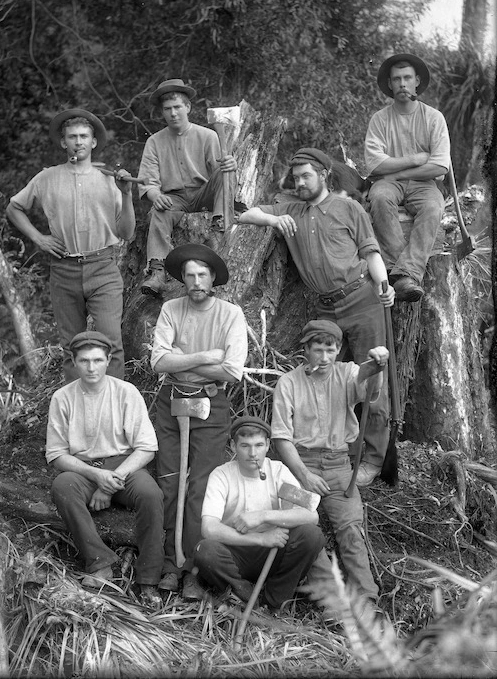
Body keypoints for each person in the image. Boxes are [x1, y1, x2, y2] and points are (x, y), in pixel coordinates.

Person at [238, 147, 395, 487]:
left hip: (363, 298)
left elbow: (371, 252)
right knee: (323, 378)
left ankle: (373, 459)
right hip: (326, 308)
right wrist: (272, 218)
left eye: (306, 176)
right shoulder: (292, 210)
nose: (300, 182)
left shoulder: (348, 207)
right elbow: (244, 214)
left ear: (324, 175)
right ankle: (331, 451)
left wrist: (385, 285)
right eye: (295, 178)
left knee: (372, 377)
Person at [6, 108, 135, 382]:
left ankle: (116, 414)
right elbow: (14, 208)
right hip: (63, 270)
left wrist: (127, 194)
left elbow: (126, 232)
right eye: (72, 137)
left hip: (103, 267)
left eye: (84, 136)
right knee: (71, 346)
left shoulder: (110, 179)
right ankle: (77, 415)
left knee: (111, 343)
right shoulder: (46, 178)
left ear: (94, 141)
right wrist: (39, 238)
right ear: (63, 142)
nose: (78, 142)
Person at [151, 243, 248, 599]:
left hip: (211, 401)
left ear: (213, 278)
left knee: (200, 487)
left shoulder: (230, 315)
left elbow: (232, 370)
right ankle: (168, 564)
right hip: (172, 399)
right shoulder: (170, 309)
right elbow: (159, 362)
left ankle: (192, 567)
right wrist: (207, 356)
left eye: (202, 275)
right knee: (170, 482)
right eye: (189, 275)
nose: (195, 281)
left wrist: (183, 358)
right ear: (182, 279)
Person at [271, 320, 388, 611]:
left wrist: (377, 365)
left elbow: (367, 384)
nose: (324, 358)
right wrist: (305, 476)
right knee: (302, 531)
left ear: (338, 350)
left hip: (338, 467)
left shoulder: (347, 373)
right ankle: (334, 601)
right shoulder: (288, 383)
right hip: (299, 467)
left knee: (350, 530)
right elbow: (282, 438)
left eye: (330, 350)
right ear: (306, 350)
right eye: (318, 350)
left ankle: (366, 599)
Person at [45, 331, 164, 605]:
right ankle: (99, 562)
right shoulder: (62, 398)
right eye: (84, 361)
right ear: (74, 362)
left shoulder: (125, 392)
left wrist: (113, 480)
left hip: (124, 467)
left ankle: (148, 579)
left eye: (98, 360)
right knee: (62, 486)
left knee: (151, 495)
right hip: (83, 469)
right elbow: (56, 454)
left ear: (109, 360)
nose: (91, 367)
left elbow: (147, 447)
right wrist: (97, 476)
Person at [194, 416, 324, 611]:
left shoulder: (278, 471)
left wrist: (263, 516)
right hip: (237, 551)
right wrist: (260, 539)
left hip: (274, 551)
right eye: (245, 446)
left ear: (267, 445)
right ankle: (244, 594)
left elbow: (311, 515)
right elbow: (209, 528)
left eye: (259, 445)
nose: (253, 453)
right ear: (233, 445)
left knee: (311, 536)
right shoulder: (222, 475)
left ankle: (274, 601)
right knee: (205, 551)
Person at [137, 78, 237, 295]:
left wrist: (230, 165)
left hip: (204, 195)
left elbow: (221, 175)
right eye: (167, 109)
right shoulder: (154, 142)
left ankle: (218, 230)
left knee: (223, 170)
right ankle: (157, 271)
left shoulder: (208, 136)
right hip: (175, 198)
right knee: (159, 210)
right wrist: (155, 196)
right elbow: (148, 183)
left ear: (188, 107)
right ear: (162, 112)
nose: (173, 113)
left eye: (177, 107)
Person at [364, 53, 450, 302]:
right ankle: (402, 276)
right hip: (388, 184)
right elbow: (375, 164)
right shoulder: (380, 119)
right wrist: (415, 159)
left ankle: (404, 274)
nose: (402, 84)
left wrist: (398, 171)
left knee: (433, 207)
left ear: (417, 82)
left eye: (407, 78)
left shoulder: (434, 118)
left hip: (425, 184)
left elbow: (439, 166)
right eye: (397, 79)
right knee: (379, 196)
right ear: (390, 84)